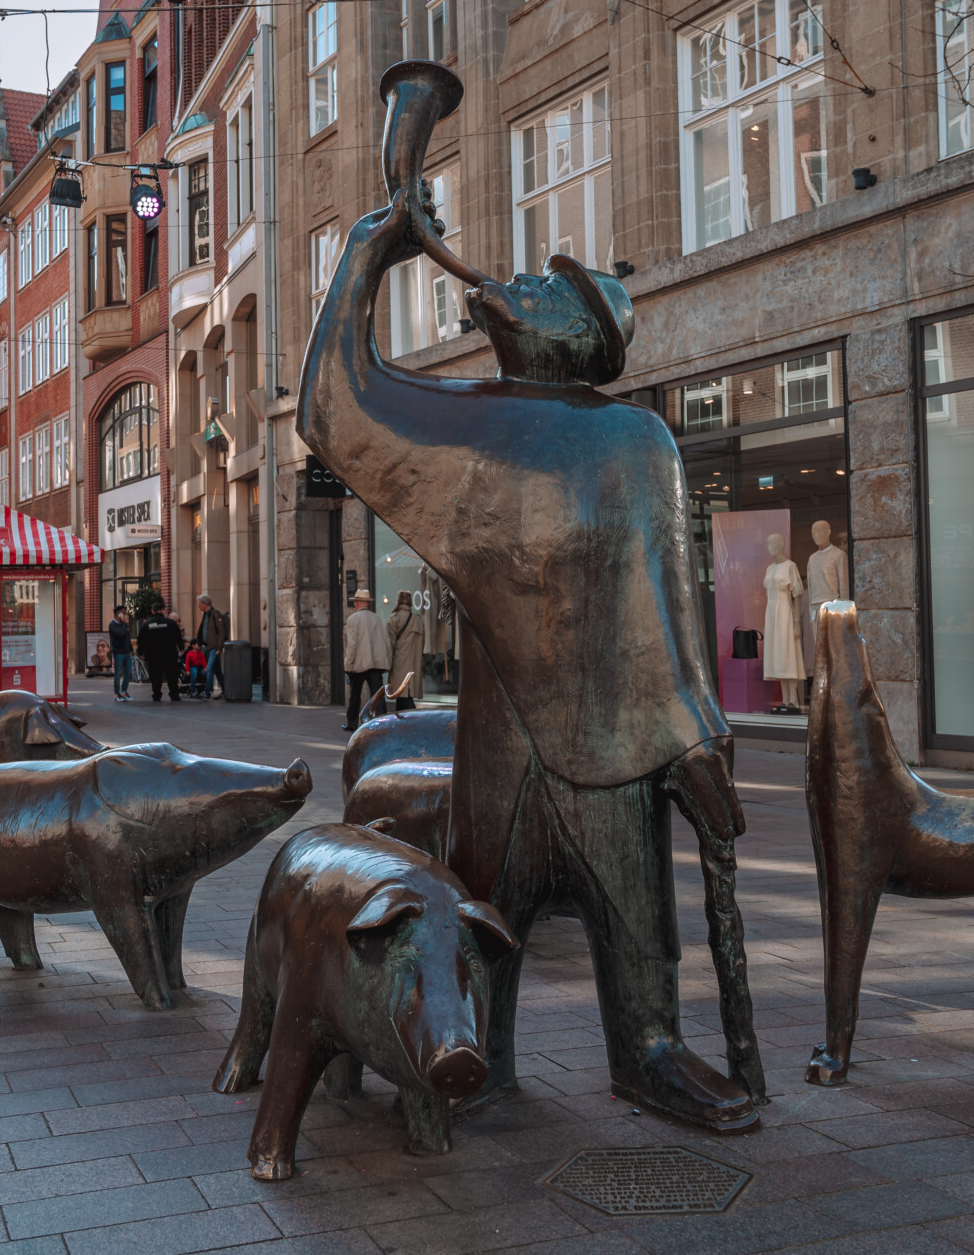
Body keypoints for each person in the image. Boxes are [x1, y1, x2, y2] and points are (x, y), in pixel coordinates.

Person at [295, 73, 756, 1129]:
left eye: (550, 291)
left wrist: (696, 742)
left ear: (574, 337)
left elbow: (665, 601)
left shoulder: (632, 439)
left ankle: (649, 1048)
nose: (521, 285)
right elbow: (331, 406)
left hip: (610, 753)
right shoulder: (466, 418)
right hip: (497, 755)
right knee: (480, 927)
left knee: (638, 934)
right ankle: (470, 1055)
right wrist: (370, 246)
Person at [342, 590, 390, 730]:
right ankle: (384, 722)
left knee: (355, 696)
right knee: (378, 696)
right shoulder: (379, 619)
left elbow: (352, 645)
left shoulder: (352, 620)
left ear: (357, 603)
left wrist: (348, 664)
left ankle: (352, 724)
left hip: (359, 664)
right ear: (368, 603)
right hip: (375, 664)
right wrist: (387, 663)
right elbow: (387, 643)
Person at [138, 601, 184, 703]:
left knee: (156, 677)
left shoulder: (147, 624)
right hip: (169, 654)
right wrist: (181, 648)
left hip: (153, 655)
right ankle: (174, 695)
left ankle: (157, 695)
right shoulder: (171, 623)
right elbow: (178, 637)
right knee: (172, 676)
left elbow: (141, 639)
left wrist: (140, 652)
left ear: (152, 611)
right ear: (162, 610)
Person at [387, 589, 423, 712]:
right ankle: (402, 721)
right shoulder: (418, 619)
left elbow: (390, 643)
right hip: (414, 663)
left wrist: (387, 661)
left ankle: (414, 719)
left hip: (399, 663)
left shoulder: (394, 618)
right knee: (406, 694)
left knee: (402, 694)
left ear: (398, 601)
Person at [191, 593, 230, 700]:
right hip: (207, 647)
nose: (198, 606)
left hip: (213, 647)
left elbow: (221, 632)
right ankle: (226, 690)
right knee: (216, 670)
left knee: (208, 669)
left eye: (199, 604)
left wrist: (219, 648)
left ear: (205, 604)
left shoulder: (215, 614)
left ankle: (206, 692)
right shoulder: (205, 614)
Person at [108, 606, 136, 701]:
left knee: (128, 672)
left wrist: (131, 649)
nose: (125, 615)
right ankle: (116, 694)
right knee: (118, 673)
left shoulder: (123, 625)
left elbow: (127, 637)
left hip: (126, 652)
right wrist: (124, 624)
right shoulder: (112, 625)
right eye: (123, 613)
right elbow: (120, 633)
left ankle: (123, 692)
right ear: (118, 614)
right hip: (118, 652)